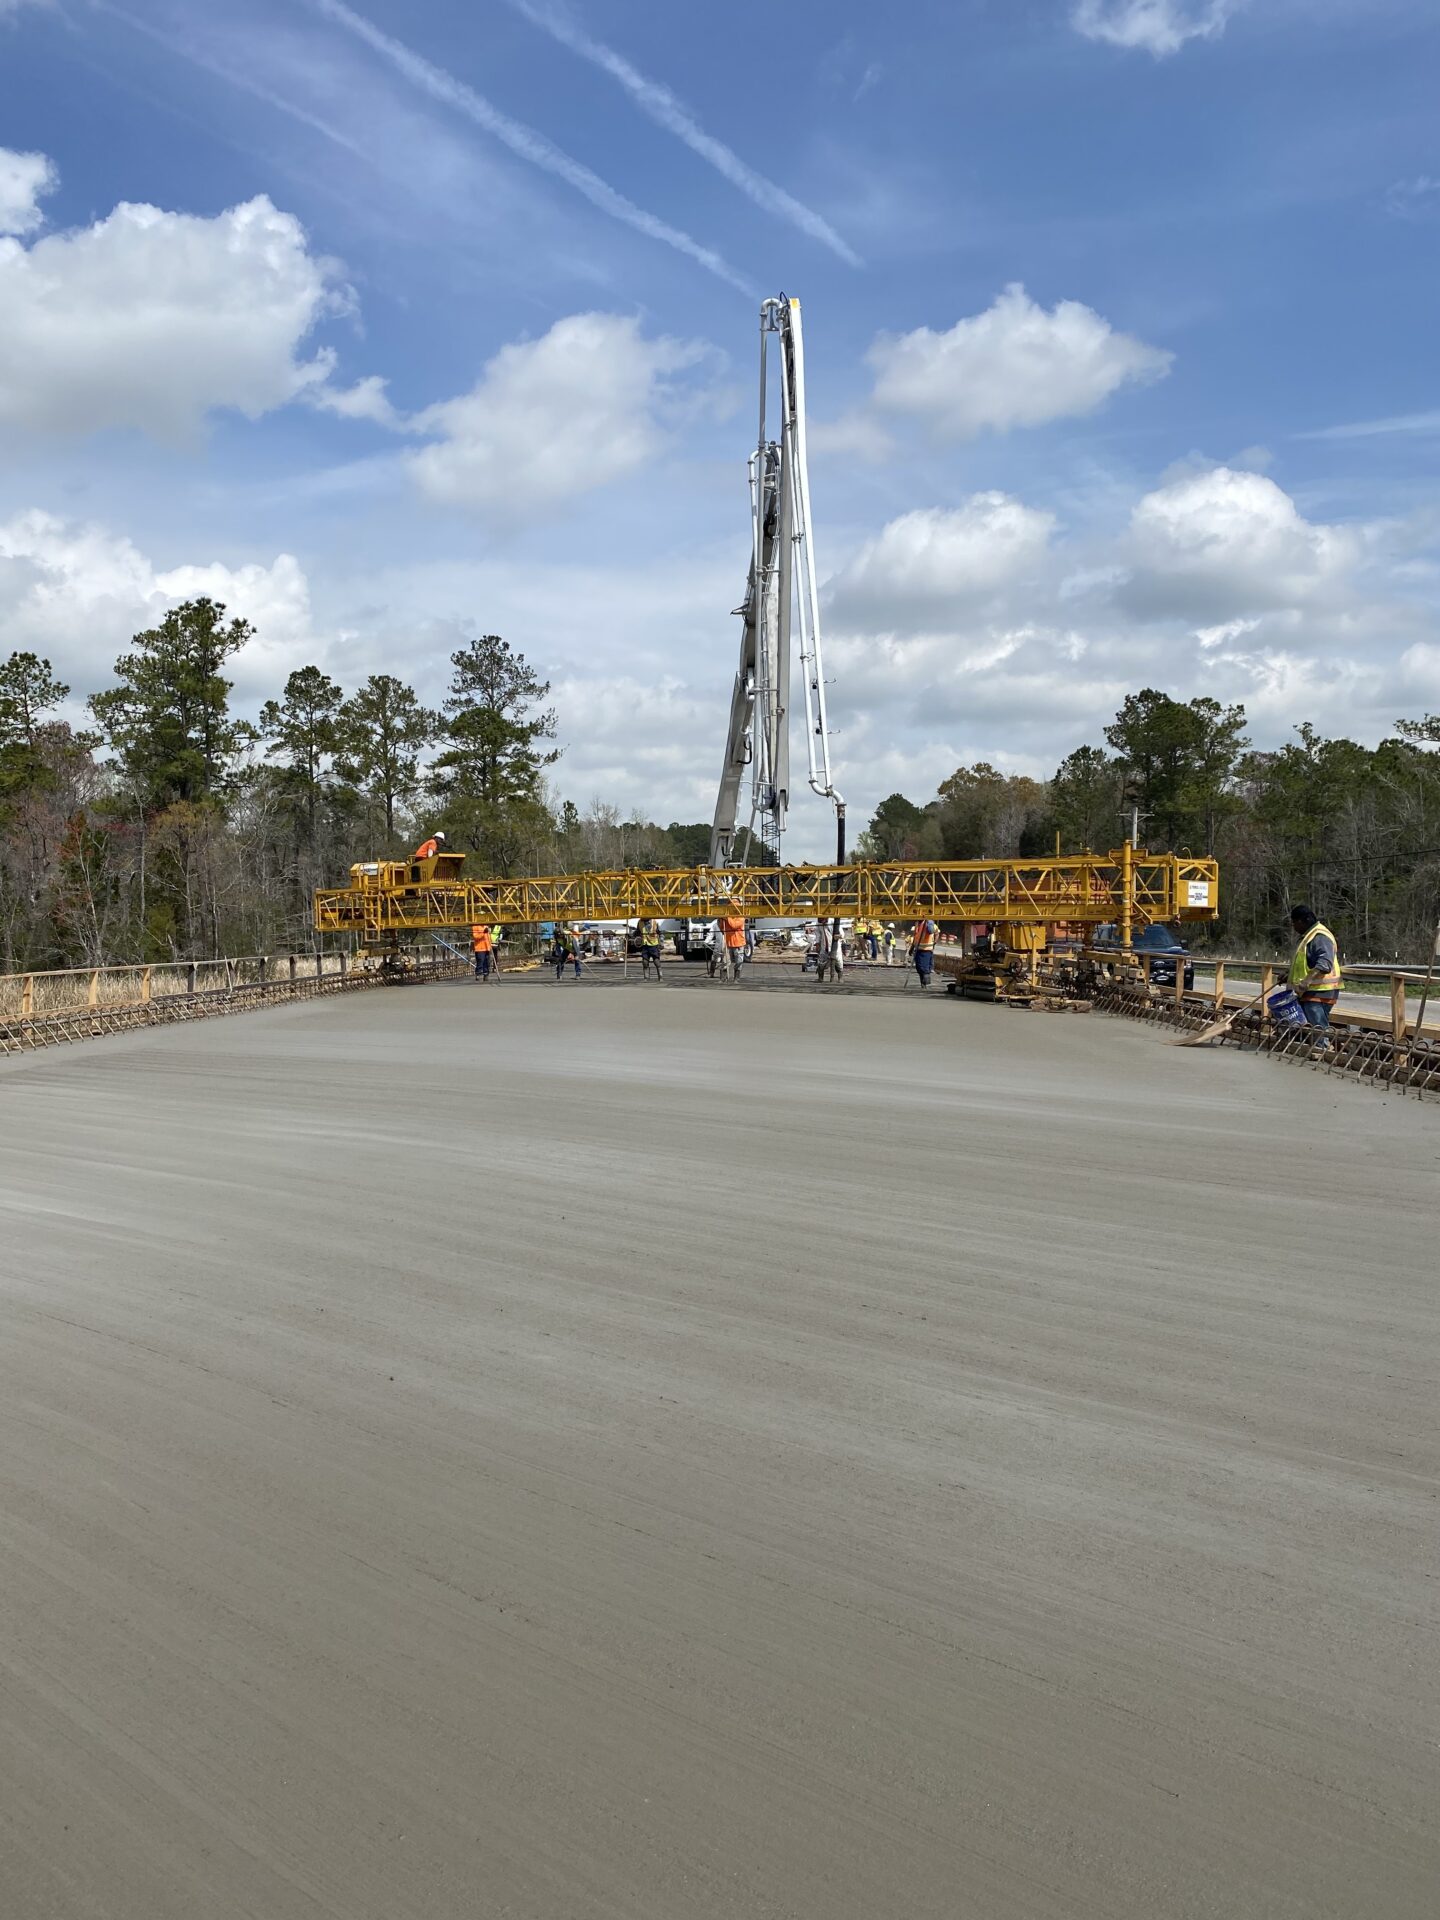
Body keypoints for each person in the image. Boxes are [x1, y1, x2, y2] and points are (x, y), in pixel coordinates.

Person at [1288, 904, 1342, 1038]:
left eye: (1294, 923)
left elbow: (1325, 964)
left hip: (1321, 991)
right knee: (1309, 1029)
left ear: (1303, 921)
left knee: (1318, 1029)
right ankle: (1317, 1046)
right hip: (1308, 991)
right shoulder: (1308, 936)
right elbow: (1304, 963)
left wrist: (1307, 981)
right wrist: (1288, 974)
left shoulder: (1320, 936)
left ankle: (1323, 1047)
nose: (1294, 927)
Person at [909, 916, 938, 988]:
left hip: (926, 950)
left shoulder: (928, 923)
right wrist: (911, 948)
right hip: (918, 949)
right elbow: (916, 937)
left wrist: (934, 942)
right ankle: (922, 983)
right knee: (919, 968)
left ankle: (925, 983)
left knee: (924, 968)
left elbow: (936, 932)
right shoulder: (917, 924)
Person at [718, 910, 747, 983]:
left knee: (739, 961)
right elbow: (722, 928)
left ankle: (736, 978)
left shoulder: (741, 917)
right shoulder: (727, 918)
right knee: (725, 961)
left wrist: (727, 918)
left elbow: (734, 925)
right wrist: (721, 920)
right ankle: (723, 978)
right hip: (728, 942)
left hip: (739, 943)